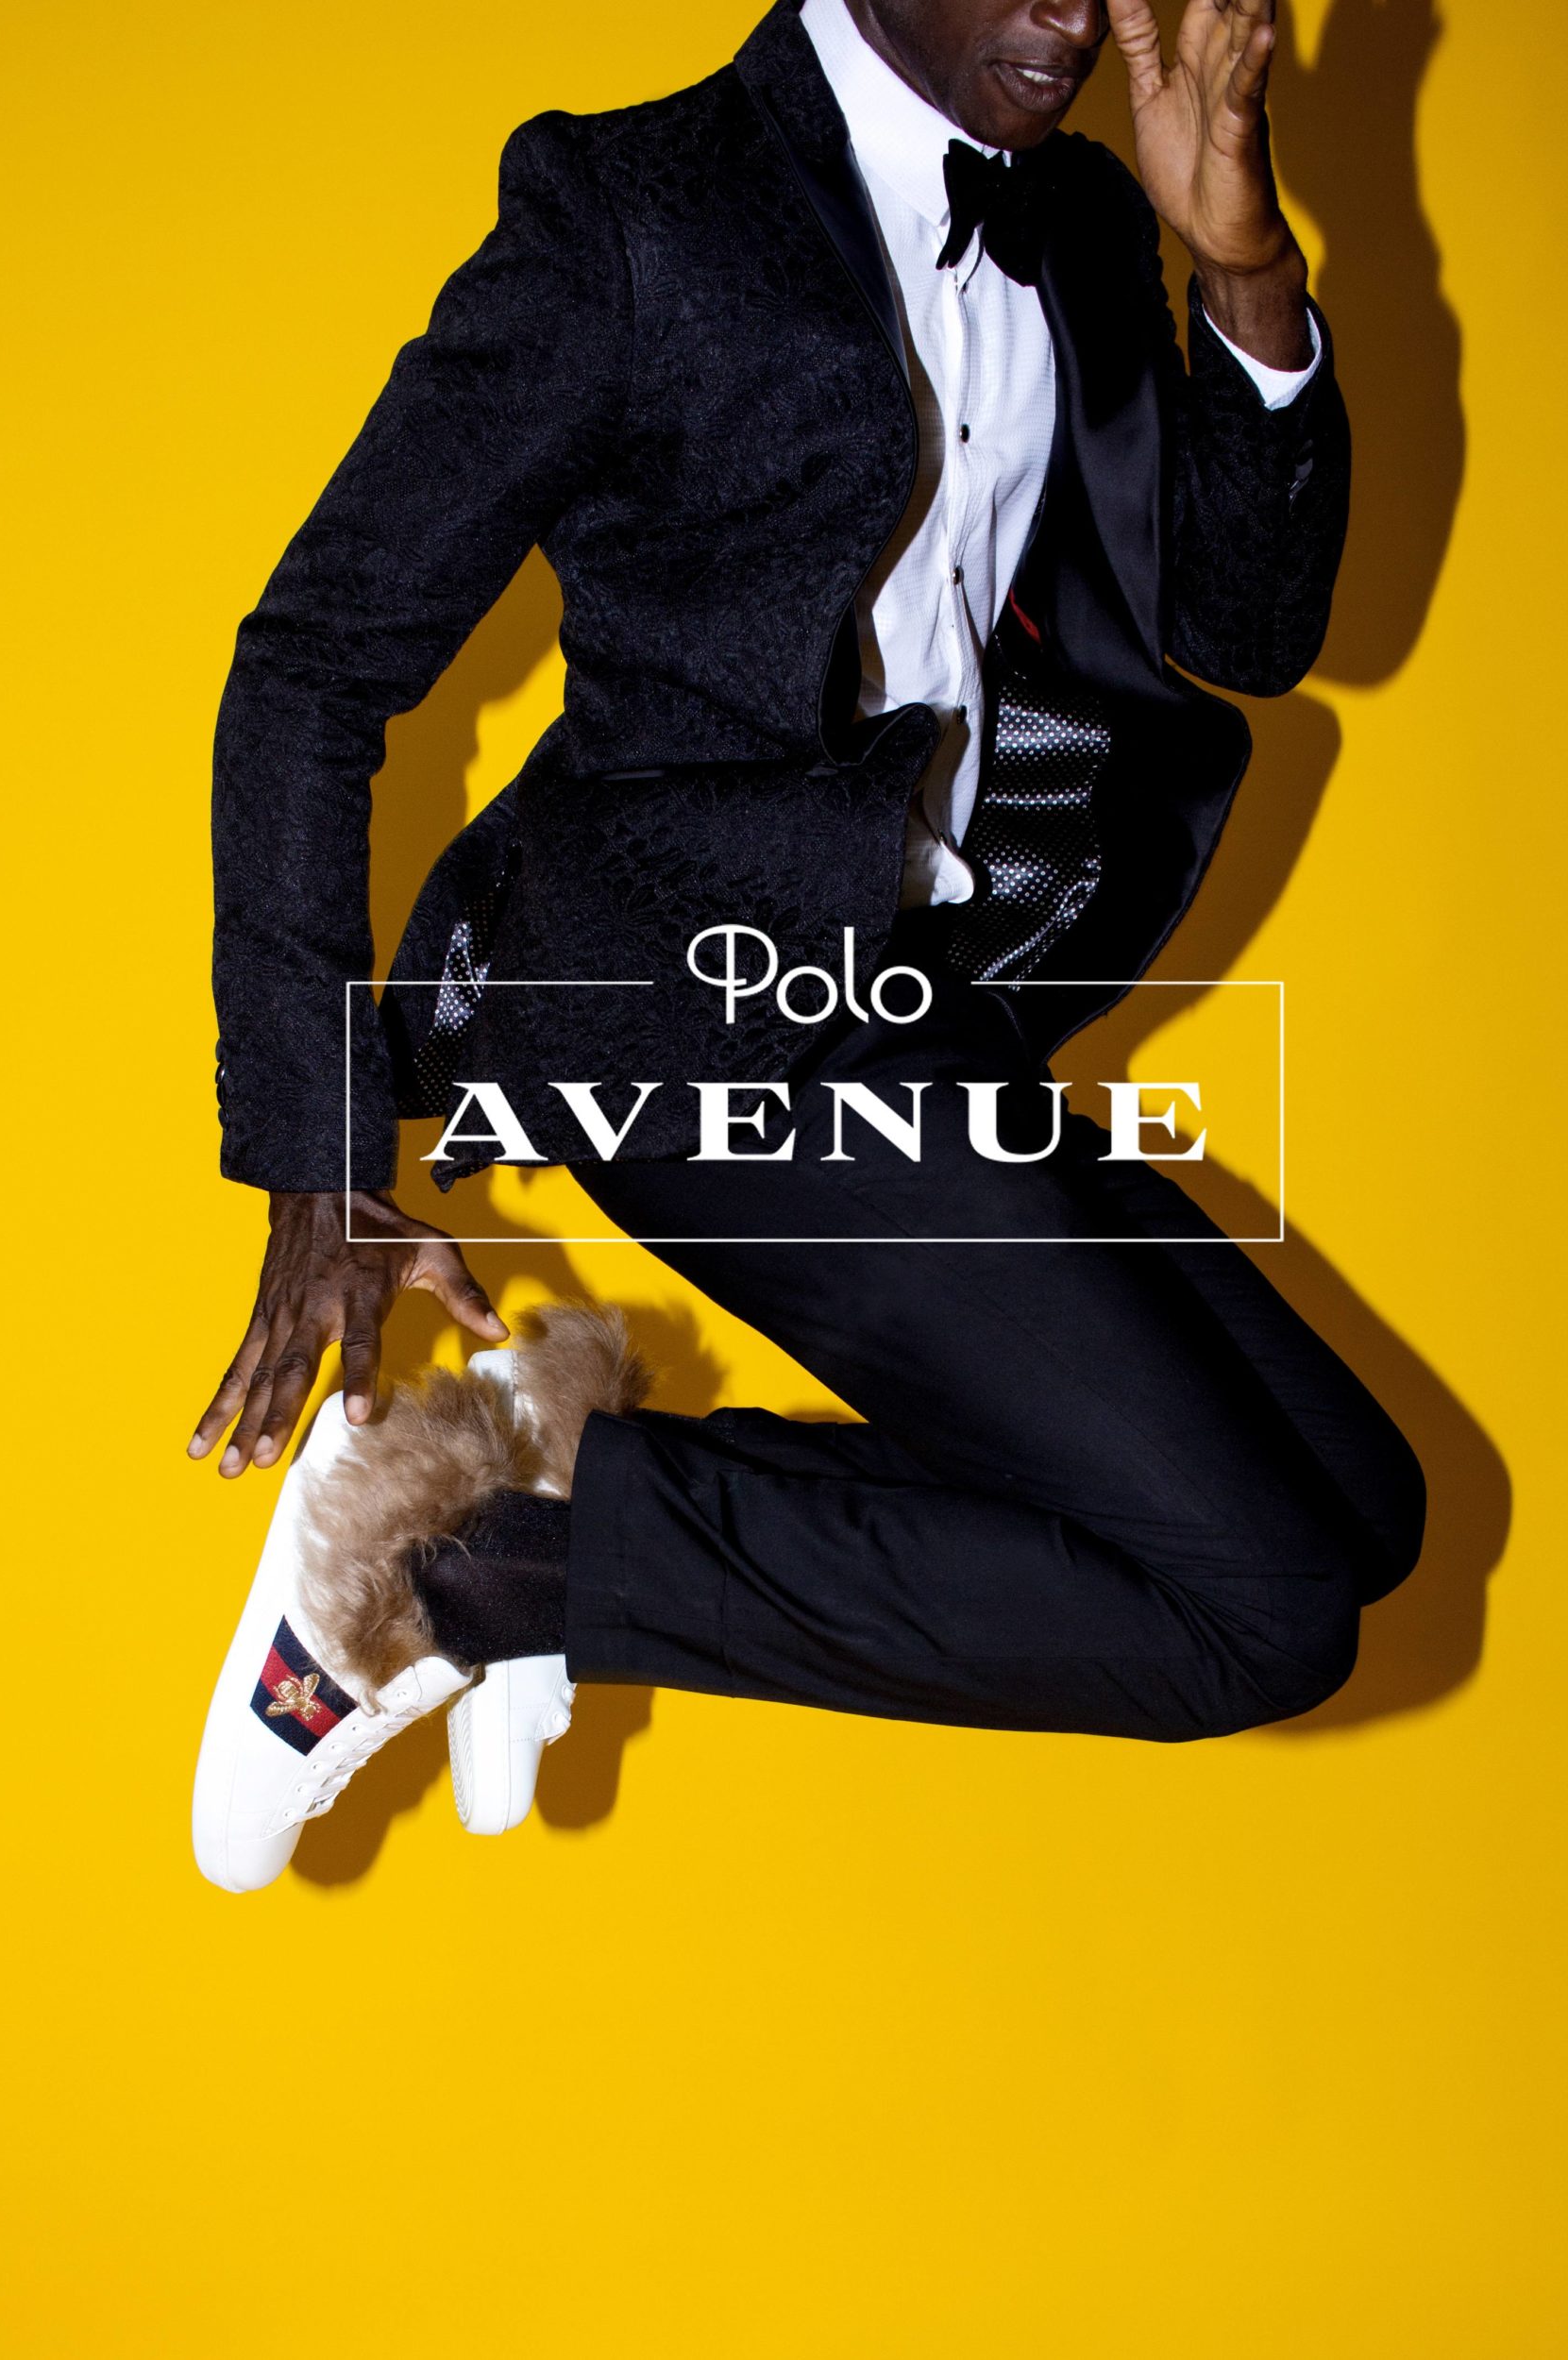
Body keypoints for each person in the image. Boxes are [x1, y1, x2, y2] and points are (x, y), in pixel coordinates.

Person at [188, 0, 1425, 1893]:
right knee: (1259, 1609)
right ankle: (455, 1573)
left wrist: (1239, 258)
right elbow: (312, 663)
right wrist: (322, 1150)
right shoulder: (635, 208)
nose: (1067, 13)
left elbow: (1253, 629)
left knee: (1355, 1506)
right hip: (673, 1005)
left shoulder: (1087, 218)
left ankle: (548, 1516)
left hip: (913, 1005)